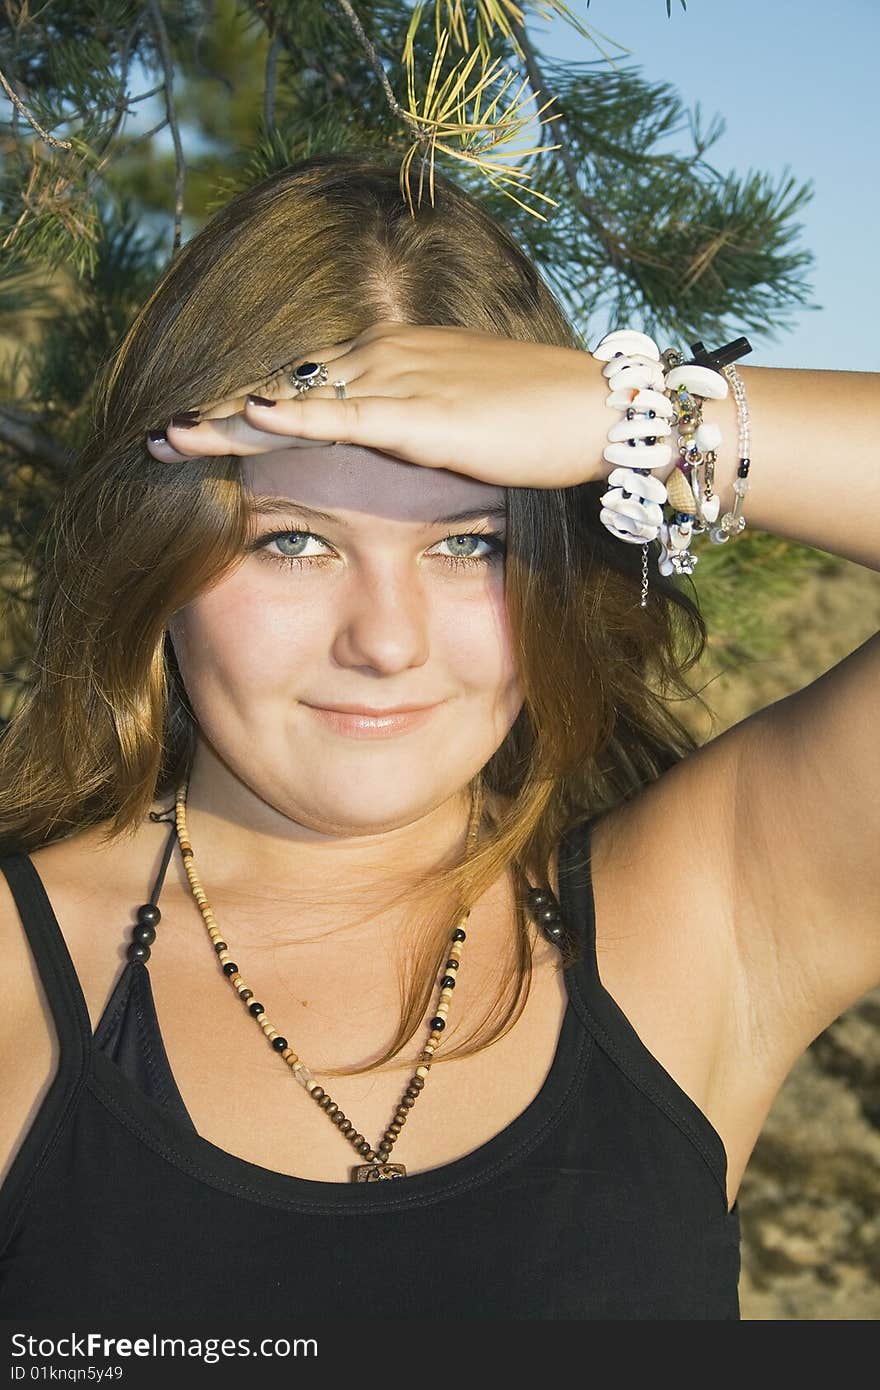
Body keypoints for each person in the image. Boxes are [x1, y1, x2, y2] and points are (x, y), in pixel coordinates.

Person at [0, 152, 876, 1322]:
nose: (386, 640)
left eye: (471, 544)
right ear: (161, 560)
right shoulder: (16, 975)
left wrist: (631, 415)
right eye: (292, 541)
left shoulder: (711, 920)